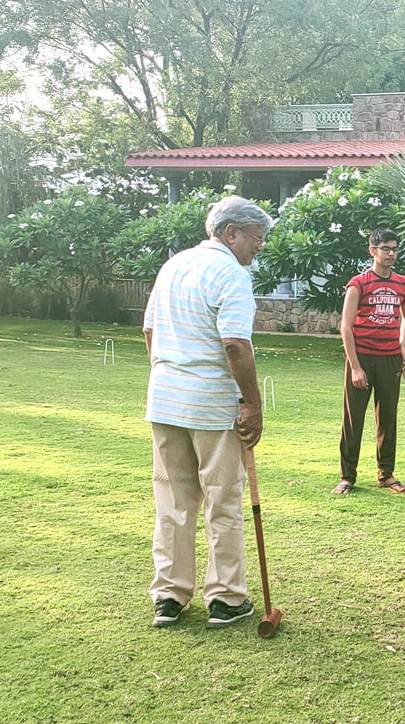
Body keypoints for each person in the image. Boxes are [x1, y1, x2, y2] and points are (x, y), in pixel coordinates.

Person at [144, 195, 273, 629]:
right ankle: (226, 598)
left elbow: (150, 331)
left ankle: (169, 595)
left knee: (174, 501)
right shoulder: (230, 274)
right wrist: (252, 403)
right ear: (231, 233)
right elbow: (235, 344)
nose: (260, 247)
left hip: (165, 401)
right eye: (257, 238)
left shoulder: (173, 265)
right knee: (222, 499)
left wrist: (170, 379)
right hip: (211, 407)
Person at [332, 228, 405, 495]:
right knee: (353, 419)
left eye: (394, 249)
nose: (391, 253)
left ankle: (386, 475)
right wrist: (355, 366)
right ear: (372, 251)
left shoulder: (402, 283)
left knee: (387, 418)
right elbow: (345, 326)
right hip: (362, 357)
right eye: (386, 249)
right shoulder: (358, 283)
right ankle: (347, 477)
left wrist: (401, 346)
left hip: (390, 359)